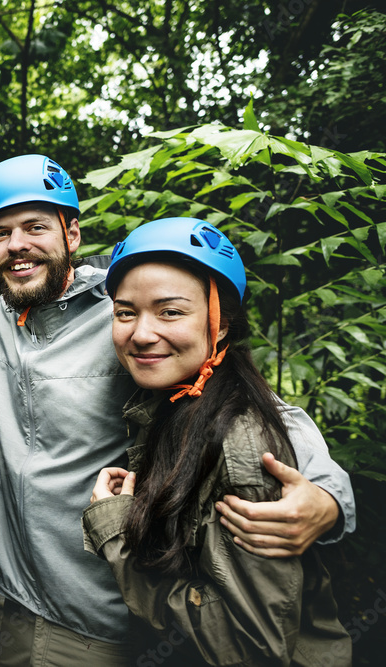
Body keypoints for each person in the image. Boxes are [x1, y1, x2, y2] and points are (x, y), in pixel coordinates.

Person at [0, 154, 355, 665]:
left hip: (117, 610)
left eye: (36, 226)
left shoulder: (124, 312)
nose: (17, 244)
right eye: (0, 233)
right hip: (25, 598)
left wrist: (329, 499)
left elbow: (258, 408)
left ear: (72, 234)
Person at [83, 217, 351, 664]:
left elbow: (251, 646)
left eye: (170, 311)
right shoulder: (175, 405)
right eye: (126, 312)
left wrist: (116, 534)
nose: (142, 333)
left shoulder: (240, 446)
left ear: (220, 323)